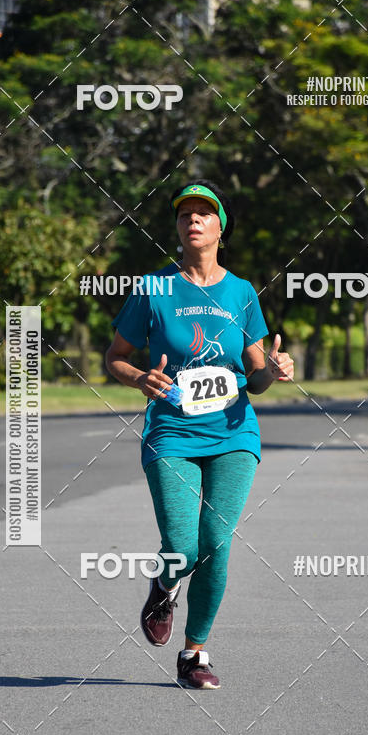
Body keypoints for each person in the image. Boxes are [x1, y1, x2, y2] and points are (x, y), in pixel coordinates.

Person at [105, 180, 294, 690]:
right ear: (177, 228)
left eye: (204, 213)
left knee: (216, 542)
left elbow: (255, 376)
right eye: (185, 213)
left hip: (234, 434)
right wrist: (140, 378)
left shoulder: (241, 292)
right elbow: (115, 357)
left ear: (219, 229)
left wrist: (273, 369)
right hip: (171, 432)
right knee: (182, 546)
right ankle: (164, 585)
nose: (193, 219)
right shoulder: (153, 288)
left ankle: (195, 653)